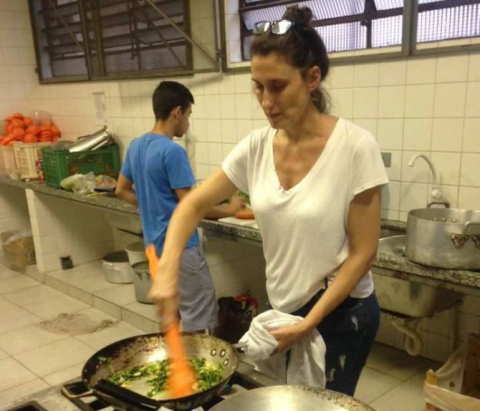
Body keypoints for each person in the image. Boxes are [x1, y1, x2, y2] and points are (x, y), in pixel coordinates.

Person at [150, 6, 388, 396]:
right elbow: (191, 206)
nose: (265, 100)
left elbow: (364, 252)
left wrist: (309, 322)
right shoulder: (255, 147)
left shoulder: (355, 147)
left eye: (277, 86)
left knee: (327, 405)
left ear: (312, 79)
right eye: (258, 87)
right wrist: (168, 270)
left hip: (341, 314)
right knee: (293, 399)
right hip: (286, 310)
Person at [116, 81, 244, 333]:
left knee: (171, 316)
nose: (188, 122)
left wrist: (152, 207)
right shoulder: (171, 152)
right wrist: (230, 209)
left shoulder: (136, 146)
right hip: (181, 249)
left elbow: (121, 189)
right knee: (198, 316)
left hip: (154, 247)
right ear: (177, 112)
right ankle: (196, 369)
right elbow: (193, 206)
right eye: (188, 115)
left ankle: (174, 365)